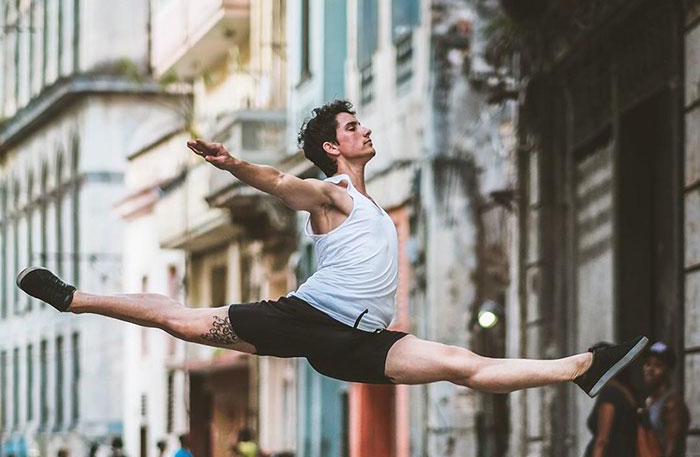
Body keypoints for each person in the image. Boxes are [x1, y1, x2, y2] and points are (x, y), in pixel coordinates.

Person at [17, 100, 646, 399]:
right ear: (333, 149)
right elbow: (283, 185)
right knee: (177, 317)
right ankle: (74, 298)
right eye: (352, 127)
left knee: (464, 364)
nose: (365, 128)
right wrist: (234, 164)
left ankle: (584, 368)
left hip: (364, 342)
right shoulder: (333, 193)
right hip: (308, 321)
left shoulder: (368, 203)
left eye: (360, 123)